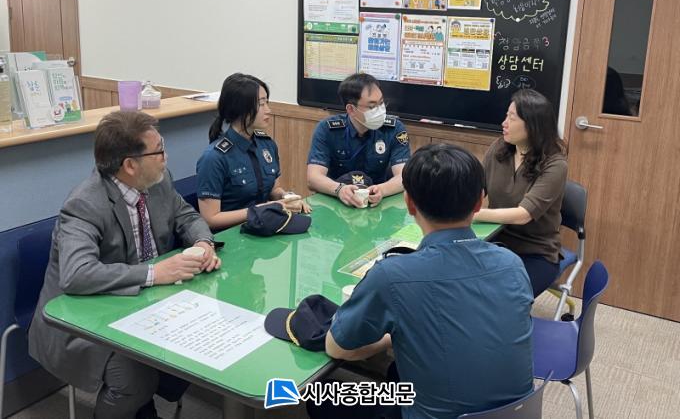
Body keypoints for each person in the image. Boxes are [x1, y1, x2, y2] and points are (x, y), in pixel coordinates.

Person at [28, 111, 220, 419]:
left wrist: (203, 243)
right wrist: (155, 273)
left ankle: (145, 406)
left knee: (202, 340)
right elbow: (76, 275)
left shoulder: (157, 181)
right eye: (159, 151)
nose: (166, 157)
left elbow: (187, 216)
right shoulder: (85, 203)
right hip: (84, 317)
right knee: (134, 379)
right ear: (130, 165)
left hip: (144, 303)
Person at [322, 144, 534, 418]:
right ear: (479, 202)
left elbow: (337, 347)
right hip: (520, 413)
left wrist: (390, 338)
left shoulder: (392, 276)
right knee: (398, 372)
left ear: (409, 203)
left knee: (326, 398)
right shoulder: (512, 263)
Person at [475, 89, 567, 297]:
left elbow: (523, 215)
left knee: (502, 297)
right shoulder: (500, 148)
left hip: (535, 252)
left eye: (512, 118)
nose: (504, 123)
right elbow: (476, 189)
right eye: (506, 115)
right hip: (494, 241)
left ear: (532, 125)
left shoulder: (555, 164)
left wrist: (472, 214)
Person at [196, 73, 310, 230]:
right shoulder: (214, 158)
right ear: (240, 108)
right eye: (261, 104)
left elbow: (274, 189)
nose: (268, 110)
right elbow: (210, 219)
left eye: (267, 102)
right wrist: (261, 209)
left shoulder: (267, 145)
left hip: (264, 226)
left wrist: (287, 198)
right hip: (232, 234)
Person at [307, 73, 411, 208]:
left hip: (377, 202)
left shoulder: (394, 129)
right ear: (351, 109)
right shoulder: (327, 129)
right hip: (336, 201)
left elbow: (404, 177)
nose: (380, 111)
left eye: (381, 103)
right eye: (372, 106)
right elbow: (313, 178)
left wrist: (382, 190)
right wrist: (339, 190)